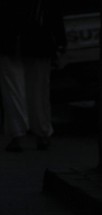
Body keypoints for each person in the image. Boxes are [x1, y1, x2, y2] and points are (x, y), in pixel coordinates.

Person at [0, 0, 66, 152]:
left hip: (10, 39)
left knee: (13, 91)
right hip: (38, 39)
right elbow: (53, 12)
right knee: (38, 90)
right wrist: (60, 43)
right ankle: (41, 133)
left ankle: (17, 135)